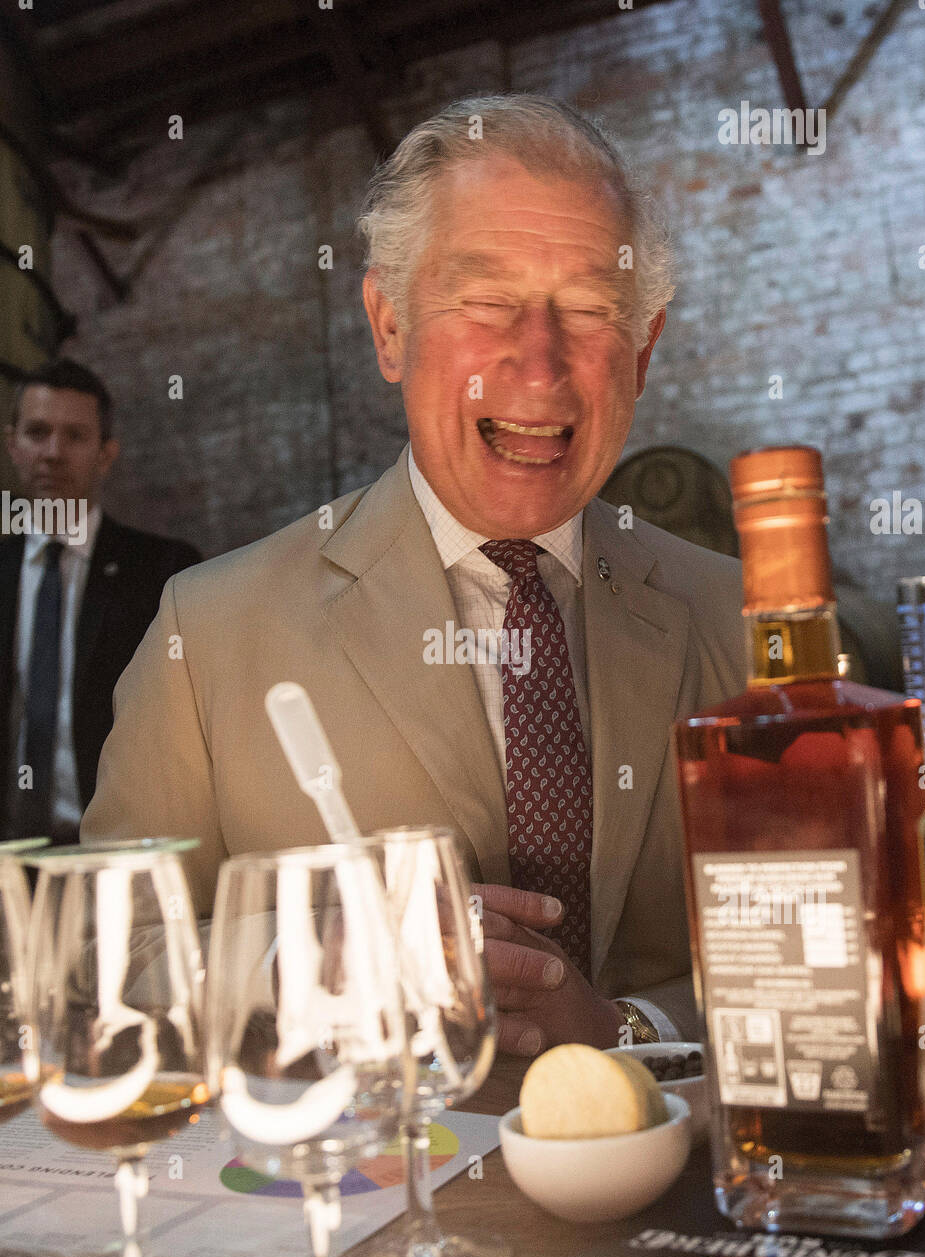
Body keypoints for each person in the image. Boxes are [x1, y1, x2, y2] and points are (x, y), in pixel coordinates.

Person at [82, 96, 746, 1054]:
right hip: (355, 1189)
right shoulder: (206, 632)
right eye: (483, 300)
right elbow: (98, 957)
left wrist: (630, 1030)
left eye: (593, 310)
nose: (539, 361)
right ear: (389, 326)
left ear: (642, 350)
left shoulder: (747, 620)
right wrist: (306, 958)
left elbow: (849, 940)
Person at [1, 359, 201, 843]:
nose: (53, 452)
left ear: (105, 454)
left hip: (116, 853)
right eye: (37, 432)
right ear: (12, 445)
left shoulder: (162, 572)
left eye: (74, 436)